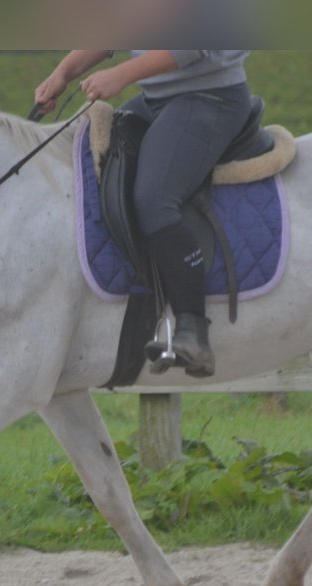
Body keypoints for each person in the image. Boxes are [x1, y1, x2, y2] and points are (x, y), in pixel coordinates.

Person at [35, 50, 253, 377]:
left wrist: (122, 74)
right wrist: (63, 73)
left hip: (210, 98)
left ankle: (193, 329)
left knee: (154, 198)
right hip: (154, 100)